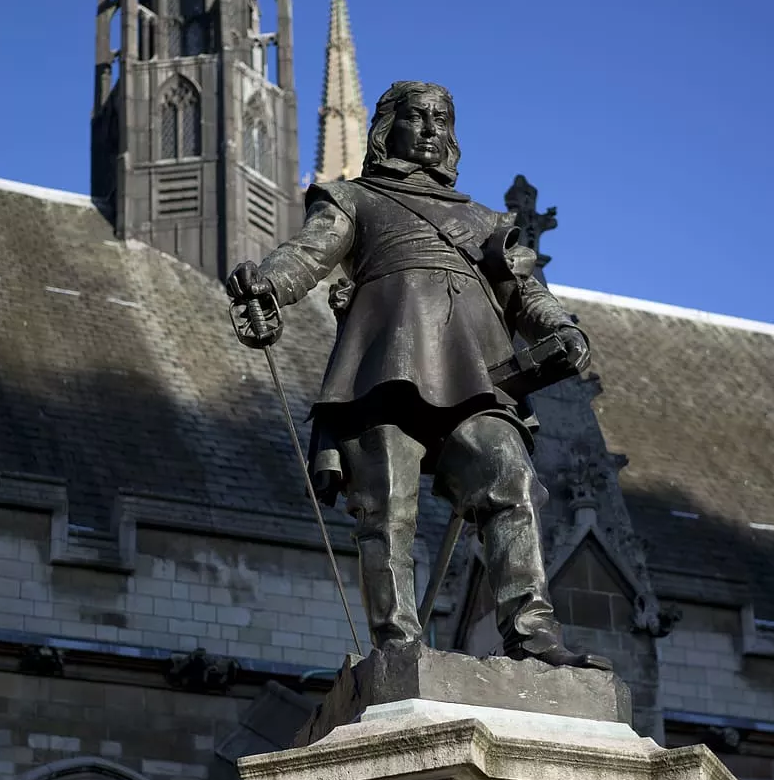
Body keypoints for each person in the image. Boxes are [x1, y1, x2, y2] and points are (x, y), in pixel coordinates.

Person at [227, 80, 609, 670]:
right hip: (383, 367)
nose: (432, 129)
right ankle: (399, 645)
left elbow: (525, 293)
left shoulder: (483, 220)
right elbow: (308, 255)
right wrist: (266, 287)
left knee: (509, 476)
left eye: (442, 119)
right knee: (387, 509)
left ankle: (532, 633)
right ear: (388, 129)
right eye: (418, 118)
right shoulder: (353, 199)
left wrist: (563, 327)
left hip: (474, 372)